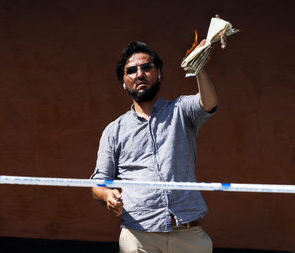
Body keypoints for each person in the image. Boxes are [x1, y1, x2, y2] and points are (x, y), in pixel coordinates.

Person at [90, 40, 218, 253]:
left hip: (189, 233)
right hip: (139, 237)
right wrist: (108, 196)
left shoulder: (181, 110)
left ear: (159, 74)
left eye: (146, 67)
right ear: (124, 83)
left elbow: (209, 103)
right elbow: (98, 183)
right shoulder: (114, 131)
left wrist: (200, 68)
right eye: (131, 70)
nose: (139, 74)